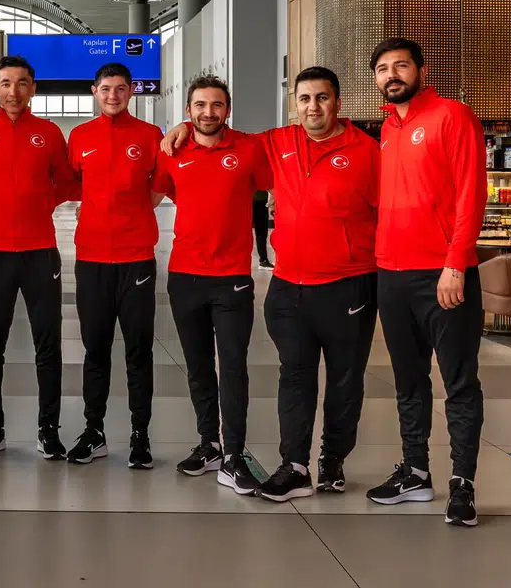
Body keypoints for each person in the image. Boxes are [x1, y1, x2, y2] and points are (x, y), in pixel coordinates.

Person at [165, 67, 380, 501]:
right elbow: (215, 134)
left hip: (349, 282)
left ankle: (333, 459)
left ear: (338, 102)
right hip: (289, 284)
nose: (313, 107)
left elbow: (390, 210)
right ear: (294, 104)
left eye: (322, 97)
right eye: (304, 99)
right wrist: (184, 126)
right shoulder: (277, 142)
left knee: (344, 378)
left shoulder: (367, 150)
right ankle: (295, 465)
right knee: (294, 376)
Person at [365, 37, 486, 527]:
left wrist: (455, 262)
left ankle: (463, 485)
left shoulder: (452, 116)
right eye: (382, 68)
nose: (391, 75)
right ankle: (415, 471)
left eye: (401, 66)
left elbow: (471, 192)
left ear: (421, 70)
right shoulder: (387, 128)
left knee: (459, 381)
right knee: (408, 380)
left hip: (444, 274)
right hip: (391, 274)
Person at [155, 75, 271, 495]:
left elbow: (278, 180)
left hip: (232, 278)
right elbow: (155, 195)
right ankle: (209, 444)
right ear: (188, 110)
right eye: (200, 106)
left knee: (233, 367)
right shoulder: (173, 151)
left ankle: (234, 455)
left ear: (228, 109)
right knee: (199, 366)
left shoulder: (249, 149)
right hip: (185, 276)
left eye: (216, 105)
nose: (208, 112)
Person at [0, 55, 75, 460]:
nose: (14, 91)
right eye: (6, 83)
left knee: (48, 343)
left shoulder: (49, 133)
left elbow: (66, 183)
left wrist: (38, 204)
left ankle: (49, 429)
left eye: (22, 83)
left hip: (40, 253)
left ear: (33, 89)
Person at [64, 63, 165, 469]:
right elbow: (74, 183)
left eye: (121, 89)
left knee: (139, 351)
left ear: (131, 91)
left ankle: (140, 435)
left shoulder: (150, 136)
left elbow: (158, 187)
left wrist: (133, 216)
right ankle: (94, 431)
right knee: (95, 350)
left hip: (136, 258)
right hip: (91, 260)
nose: (113, 96)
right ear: (94, 91)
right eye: (106, 89)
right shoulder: (79, 136)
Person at [252, 190, 273, 269]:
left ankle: (263, 260)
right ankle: (263, 260)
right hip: (247, 200)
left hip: (261, 200)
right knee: (243, 234)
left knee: (262, 232)